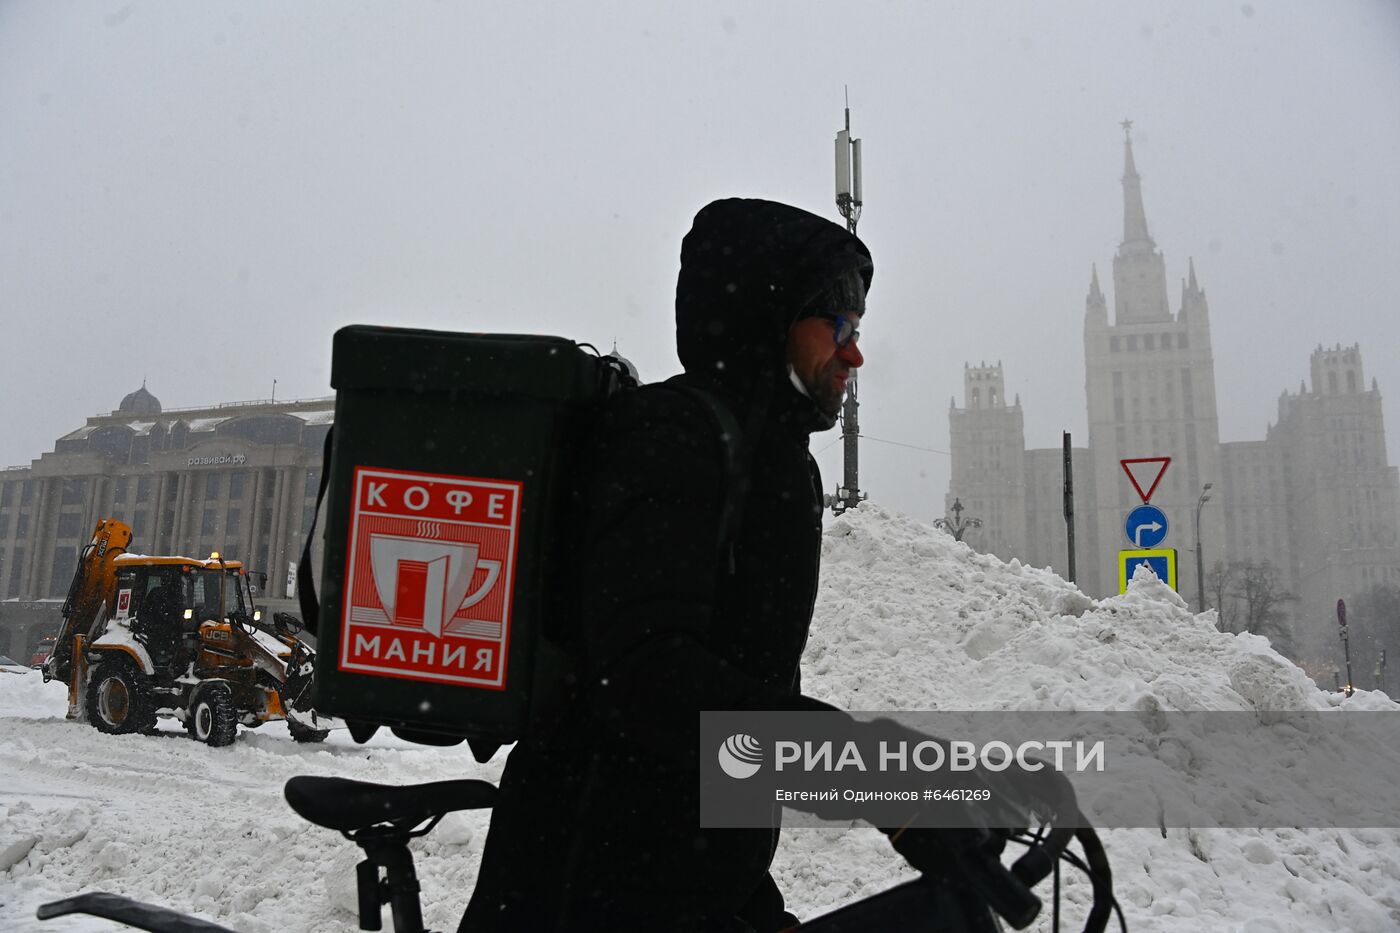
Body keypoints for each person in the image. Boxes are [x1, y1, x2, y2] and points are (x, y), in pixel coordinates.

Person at [462, 199, 1070, 932]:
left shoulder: (771, 460)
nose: (854, 354)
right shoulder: (671, 435)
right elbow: (647, 679)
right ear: (769, 319)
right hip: (584, 893)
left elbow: (738, 698)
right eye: (837, 327)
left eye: (858, 331)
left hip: (693, 888)